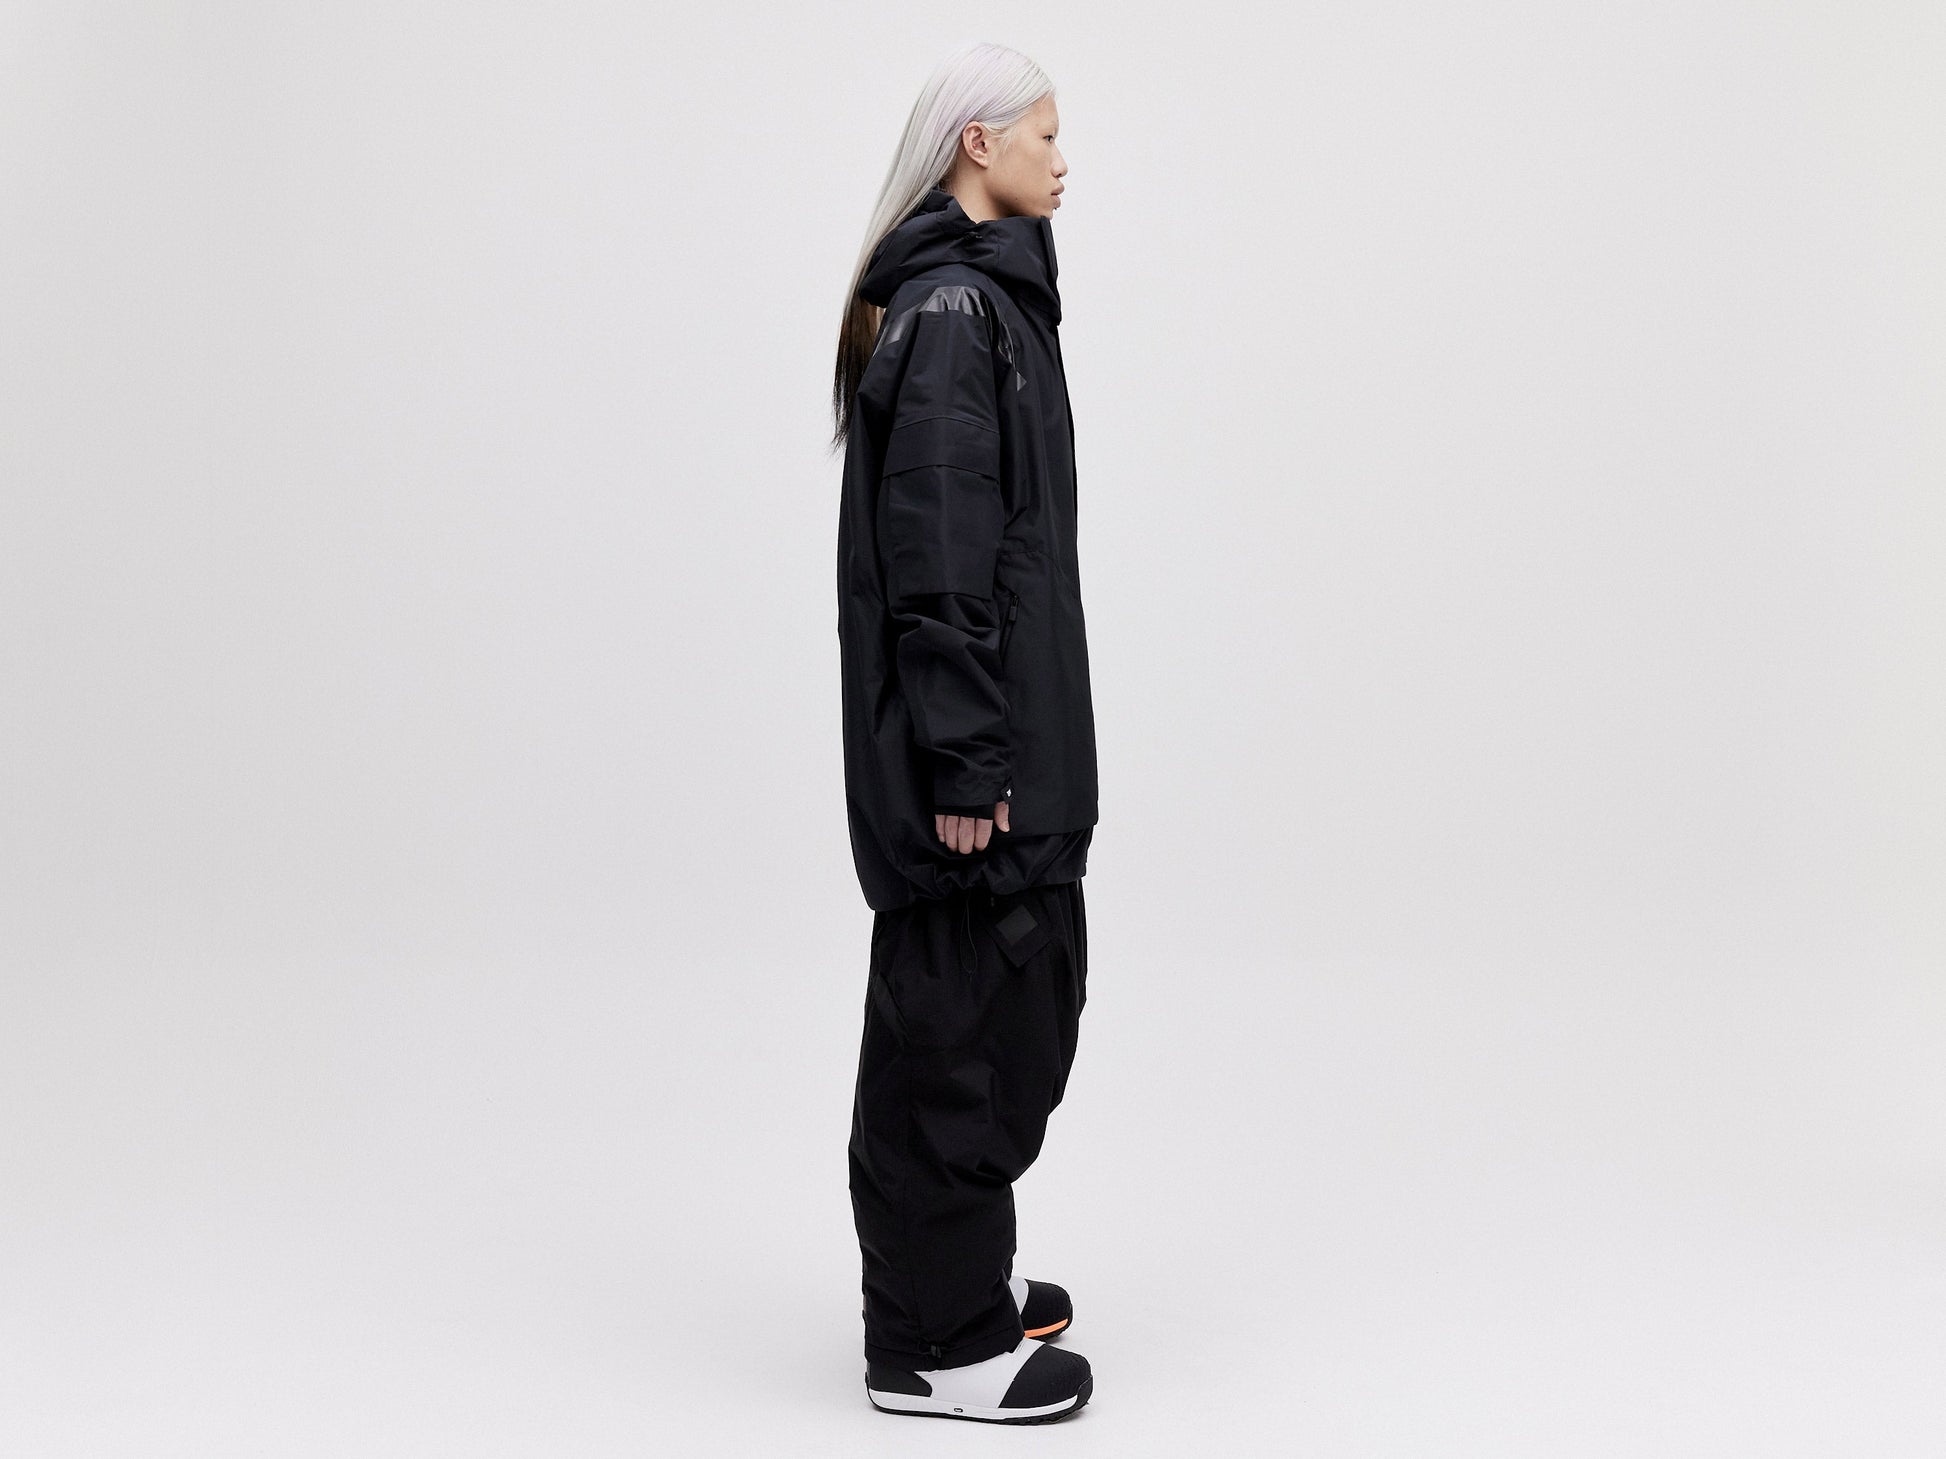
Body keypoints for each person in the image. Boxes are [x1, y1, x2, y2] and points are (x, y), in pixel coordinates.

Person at [829, 42, 1100, 1425]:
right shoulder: (952, 313)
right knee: (963, 1034)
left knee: (1005, 1013)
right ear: (977, 144)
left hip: (1002, 748)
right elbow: (938, 563)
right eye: (1043, 133)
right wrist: (966, 759)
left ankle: (951, 1283)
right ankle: (938, 1343)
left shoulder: (981, 305)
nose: (1064, 158)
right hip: (972, 767)